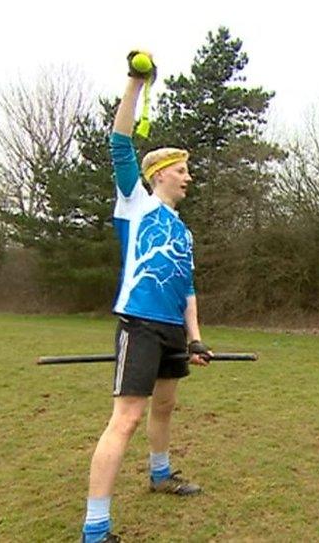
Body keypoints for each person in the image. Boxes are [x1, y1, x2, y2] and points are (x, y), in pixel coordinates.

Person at [81, 52, 214, 543]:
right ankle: (95, 529)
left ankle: (160, 474)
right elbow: (119, 143)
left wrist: (196, 339)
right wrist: (136, 83)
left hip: (173, 330)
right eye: (184, 170)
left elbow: (189, 289)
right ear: (161, 173)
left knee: (165, 407)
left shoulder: (184, 231)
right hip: (138, 322)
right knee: (128, 417)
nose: (189, 177)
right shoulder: (135, 204)